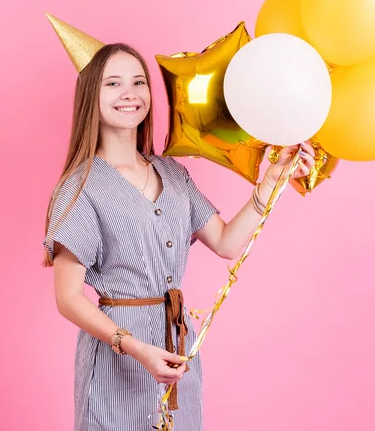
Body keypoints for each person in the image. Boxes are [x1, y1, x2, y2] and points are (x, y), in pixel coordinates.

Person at [42, 42, 316, 431]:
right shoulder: (80, 187)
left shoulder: (172, 173)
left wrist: (270, 181)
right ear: (91, 96)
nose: (130, 93)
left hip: (177, 346)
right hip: (118, 359)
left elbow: (226, 242)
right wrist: (135, 348)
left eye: (139, 82)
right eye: (113, 83)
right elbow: (68, 299)